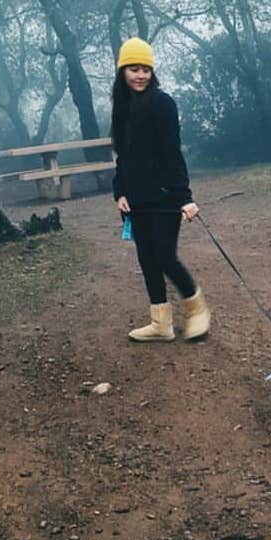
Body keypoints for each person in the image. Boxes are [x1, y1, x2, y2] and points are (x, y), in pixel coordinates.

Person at [111, 37, 210, 342]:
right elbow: (123, 156)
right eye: (133, 69)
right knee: (147, 259)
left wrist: (185, 197)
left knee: (166, 257)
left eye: (145, 69)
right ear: (122, 71)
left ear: (152, 72)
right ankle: (161, 325)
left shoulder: (163, 103)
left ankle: (197, 311)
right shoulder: (122, 107)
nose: (140, 75)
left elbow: (172, 151)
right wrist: (120, 192)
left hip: (166, 196)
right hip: (136, 200)